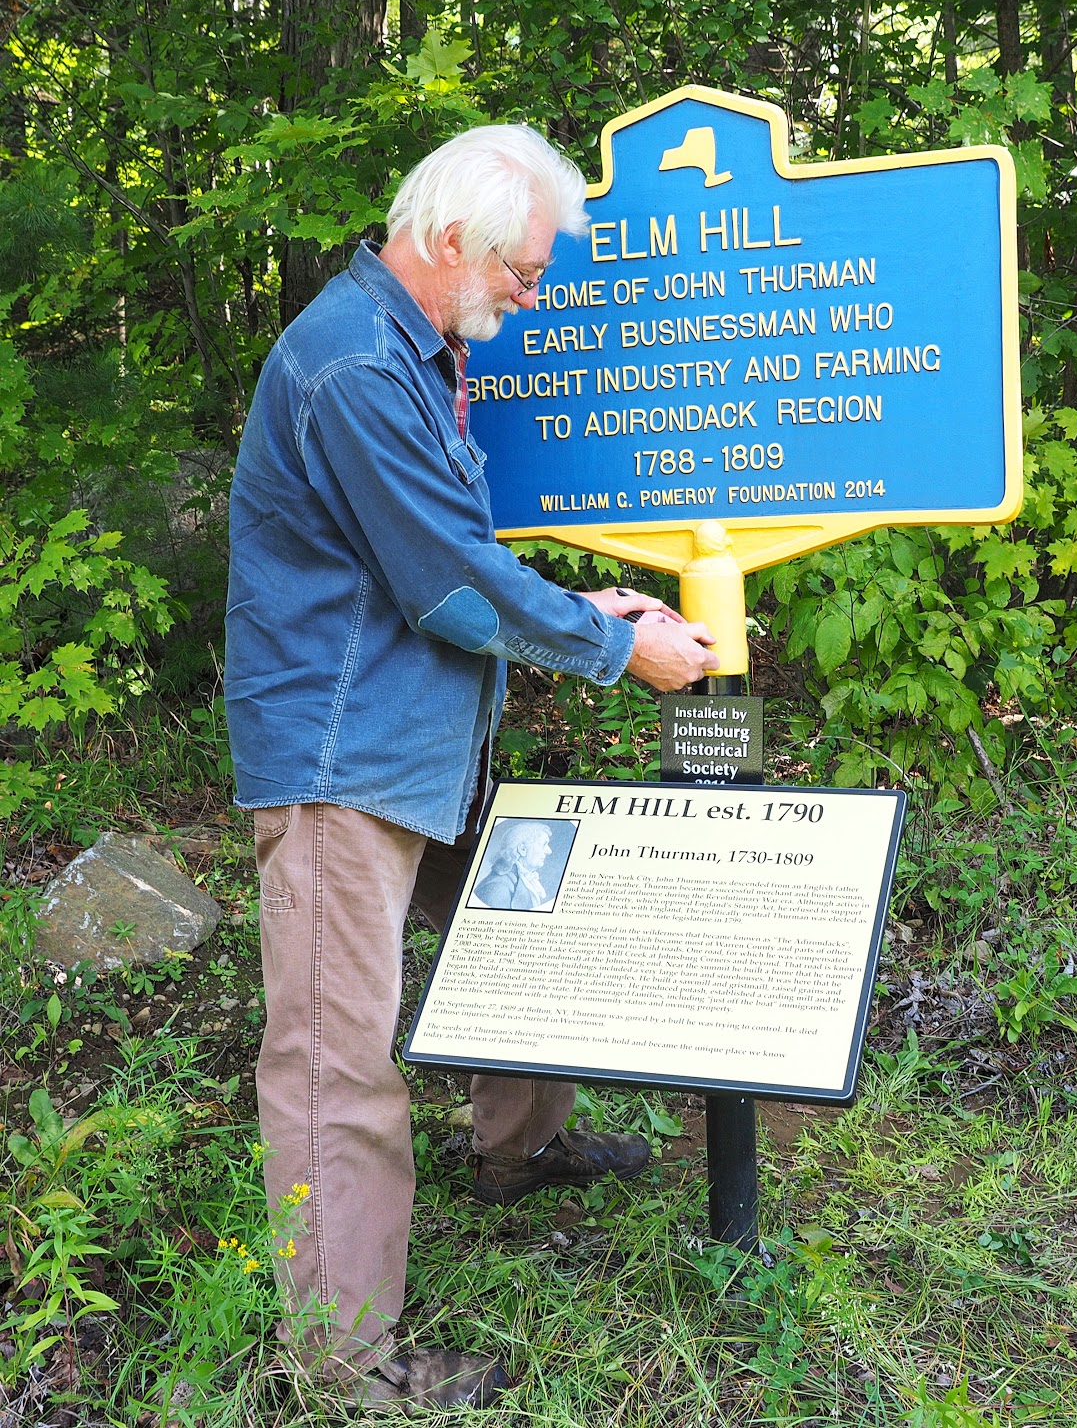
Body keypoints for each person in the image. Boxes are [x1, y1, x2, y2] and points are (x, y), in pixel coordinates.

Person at [223, 123, 719, 1411]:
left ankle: (521, 1146)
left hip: (422, 736)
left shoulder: (409, 347)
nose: (532, 293)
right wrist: (614, 654)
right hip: (344, 759)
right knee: (336, 1061)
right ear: (453, 243)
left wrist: (585, 611)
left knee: (522, 919)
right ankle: (345, 1364)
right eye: (527, 270)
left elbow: (439, 555)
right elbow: (445, 580)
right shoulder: (349, 365)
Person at [472, 820, 559, 909]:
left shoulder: (522, 879)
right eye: (544, 844)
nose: (549, 851)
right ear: (523, 849)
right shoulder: (497, 888)